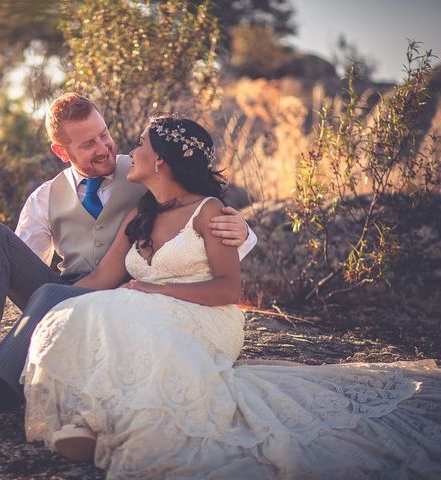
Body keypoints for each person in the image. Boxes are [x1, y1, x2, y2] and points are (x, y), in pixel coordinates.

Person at [22, 115, 441, 479]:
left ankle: (108, 421)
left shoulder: (209, 212)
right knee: (85, 308)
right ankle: (89, 419)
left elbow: (229, 289)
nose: (130, 150)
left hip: (207, 319)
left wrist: (153, 289)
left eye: (141, 146)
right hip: (150, 313)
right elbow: (101, 277)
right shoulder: (139, 215)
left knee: (128, 309)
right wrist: (50, 306)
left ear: (161, 161)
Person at [0, 94, 257, 434]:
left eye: (104, 134)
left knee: (52, 294)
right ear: (61, 152)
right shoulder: (45, 197)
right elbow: (16, 263)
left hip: (125, 299)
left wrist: (241, 228)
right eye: (87, 144)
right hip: (77, 287)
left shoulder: (147, 171)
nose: (104, 148)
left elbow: (202, 222)